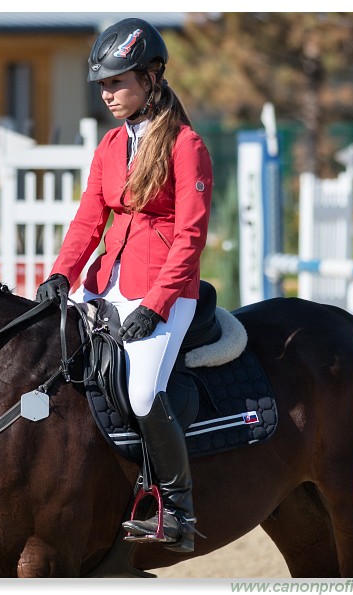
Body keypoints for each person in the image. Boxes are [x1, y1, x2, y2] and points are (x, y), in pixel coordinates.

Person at [36, 17, 212, 553]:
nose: (108, 94)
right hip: (105, 281)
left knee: (141, 390)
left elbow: (191, 234)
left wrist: (157, 305)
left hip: (165, 288)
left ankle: (176, 507)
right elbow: (89, 219)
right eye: (104, 85)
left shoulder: (186, 144)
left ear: (151, 78)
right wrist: (61, 274)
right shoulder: (111, 144)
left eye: (118, 82)